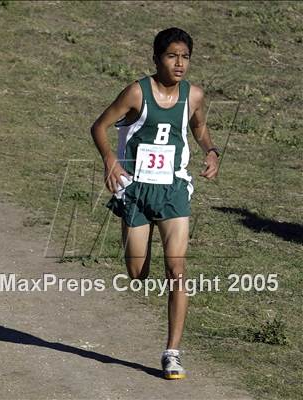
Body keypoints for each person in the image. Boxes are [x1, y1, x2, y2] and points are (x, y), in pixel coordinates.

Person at [90, 27, 219, 380]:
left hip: (173, 190)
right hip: (135, 190)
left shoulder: (193, 95)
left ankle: (172, 353)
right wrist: (109, 160)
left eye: (185, 57)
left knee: (177, 270)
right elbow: (99, 126)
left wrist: (211, 150)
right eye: (171, 56)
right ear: (157, 58)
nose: (179, 63)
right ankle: (136, 244)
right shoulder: (136, 92)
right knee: (138, 272)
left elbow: (199, 126)